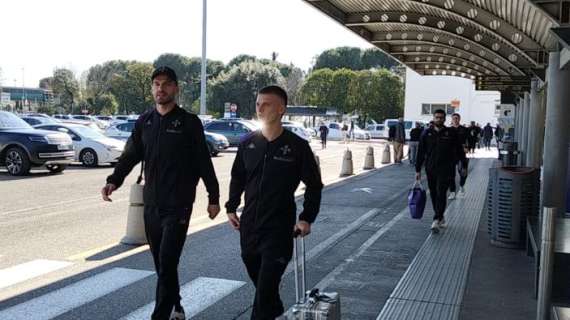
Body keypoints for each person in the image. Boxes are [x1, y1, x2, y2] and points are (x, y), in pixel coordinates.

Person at [101, 67, 221, 320]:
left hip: (179, 205)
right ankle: (176, 305)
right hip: (151, 203)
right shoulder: (145, 121)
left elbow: (203, 162)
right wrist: (114, 180)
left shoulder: (188, 123)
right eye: (156, 84)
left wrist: (213, 197)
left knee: (167, 261)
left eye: (166, 84)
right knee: (161, 263)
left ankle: (161, 315)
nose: (160, 89)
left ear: (175, 88)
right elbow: (131, 155)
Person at [225, 85, 323, 320]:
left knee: (265, 289)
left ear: (281, 109)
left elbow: (314, 185)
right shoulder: (248, 142)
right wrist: (231, 207)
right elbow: (238, 176)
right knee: (263, 287)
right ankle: (276, 309)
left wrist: (306, 218)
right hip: (249, 226)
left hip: (279, 229)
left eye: (266, 104)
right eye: (258, 103)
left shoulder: (297, 147)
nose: (260, 108)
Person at [415, 109, 464, 234]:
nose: (439, 119)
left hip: (446, 168)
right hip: (431, 169)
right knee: (433, 194)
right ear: (433, 118)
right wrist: (417, 170)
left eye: (441, 117)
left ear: (445, 119)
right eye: (437, 117)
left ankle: (436, 219)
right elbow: (421, 152)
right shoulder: (426, 133)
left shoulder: (451, 133)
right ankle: (441, 216)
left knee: (441, 192)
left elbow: (459, 149)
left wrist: (463, 164)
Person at [448, 113, 469, 199]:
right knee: (450, 175)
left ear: (459, 119)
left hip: (461, 155)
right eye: (454, 118)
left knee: (463, 173)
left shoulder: (464, 129)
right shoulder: (448, 130)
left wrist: (467, 147)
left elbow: (468, 140)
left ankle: (462, 186)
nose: (455, 120)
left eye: (457, 118)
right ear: (451, 120)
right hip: (451, 155)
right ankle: (452, 192)